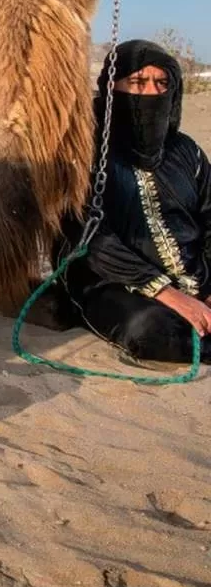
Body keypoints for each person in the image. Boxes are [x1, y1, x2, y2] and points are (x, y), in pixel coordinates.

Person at [60, 40, 211, 362]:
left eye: (161, 83)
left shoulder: (186, 151)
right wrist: (168, 294)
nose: (151, 93)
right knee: (153, 331)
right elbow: (92, 240)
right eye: (138, 83)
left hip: (196, 276)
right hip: (112, 283)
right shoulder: (83, 151)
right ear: (112, 85)